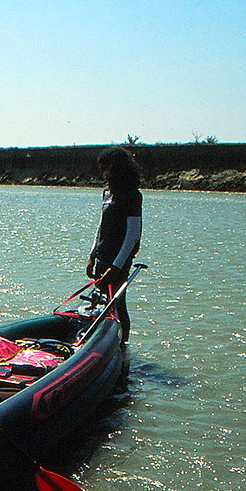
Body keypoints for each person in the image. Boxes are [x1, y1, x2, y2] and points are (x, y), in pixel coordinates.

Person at [87, 146, 143, 344]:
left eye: (106, 168)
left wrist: (116, 267)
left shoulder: (132, 196)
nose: (103, 173)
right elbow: (101, 226)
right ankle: (99, 342)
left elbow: (132, 236)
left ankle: (122, 347)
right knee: (101, 304)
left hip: (118, 260)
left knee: (118, 304)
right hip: (103, 256)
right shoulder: (107, 193)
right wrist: (92, 254)